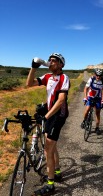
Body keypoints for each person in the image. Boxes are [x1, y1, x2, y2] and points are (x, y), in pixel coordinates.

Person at [26, 53, 69, 195]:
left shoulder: (64, 78)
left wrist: (45, 117)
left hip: (59, 115)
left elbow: (61, 100)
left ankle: (51, 185)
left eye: (54, 61)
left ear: (61, 64)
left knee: (47, 149)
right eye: (49, 60)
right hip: (49, 113)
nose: (50, 62)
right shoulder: (47, 77)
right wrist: (33, 68)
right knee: (51, 145)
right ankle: (56, 171)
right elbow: (29, 84)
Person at [83, 68, 103, 134]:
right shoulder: (91, 79)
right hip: (90, 96)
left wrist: (102, 100)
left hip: (98, 98)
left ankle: (97, 127)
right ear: (95, 74)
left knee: (97, 112)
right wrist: (85, 97)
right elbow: (86, 88)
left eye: (100, 75)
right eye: (97, 75)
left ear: (102, 75)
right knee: (87, 109)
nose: (98, 77)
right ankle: (84, 121)